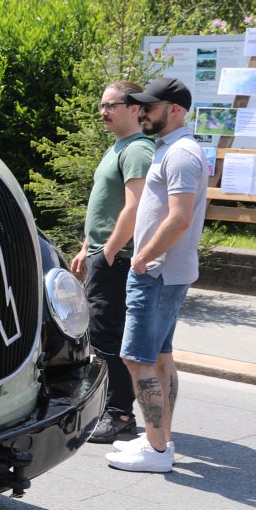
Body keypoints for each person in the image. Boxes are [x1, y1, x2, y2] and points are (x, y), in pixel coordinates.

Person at [105, 76, 209, 473]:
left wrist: (142, 257)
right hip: (164, 272)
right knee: (161, 355)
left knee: (136, 359)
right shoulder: (172, 148)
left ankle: (157, 449)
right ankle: (159, 439)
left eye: (149, 106)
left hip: (157, 272)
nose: (142, 112)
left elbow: (179, 218)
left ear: (175, 110)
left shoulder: (180, 154)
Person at [71, 80, 155, 443]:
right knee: (100, 333)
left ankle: (119, 415)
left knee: (109, 337)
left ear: (135, 108)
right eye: (101, 105)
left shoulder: (137, 150)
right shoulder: (118, 146)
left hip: (117, 258)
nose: (103, 112)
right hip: (103, 253)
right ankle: (106, 407)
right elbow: (105, 205)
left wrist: (107, 252)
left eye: (111, 106)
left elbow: (135, 208)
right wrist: (87, 247)